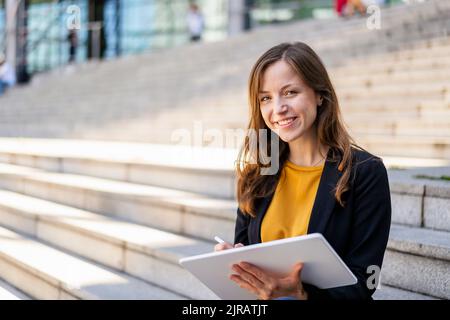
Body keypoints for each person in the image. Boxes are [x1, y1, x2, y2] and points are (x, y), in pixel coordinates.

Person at [215, 42, 391, 300]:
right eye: (266, 98)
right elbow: (251, 278)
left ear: (319, 95)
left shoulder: (364, 172)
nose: (278, 108)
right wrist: (236, 263)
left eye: (290, 92)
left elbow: (365, 281)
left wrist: (301, 293)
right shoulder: (257, 175)